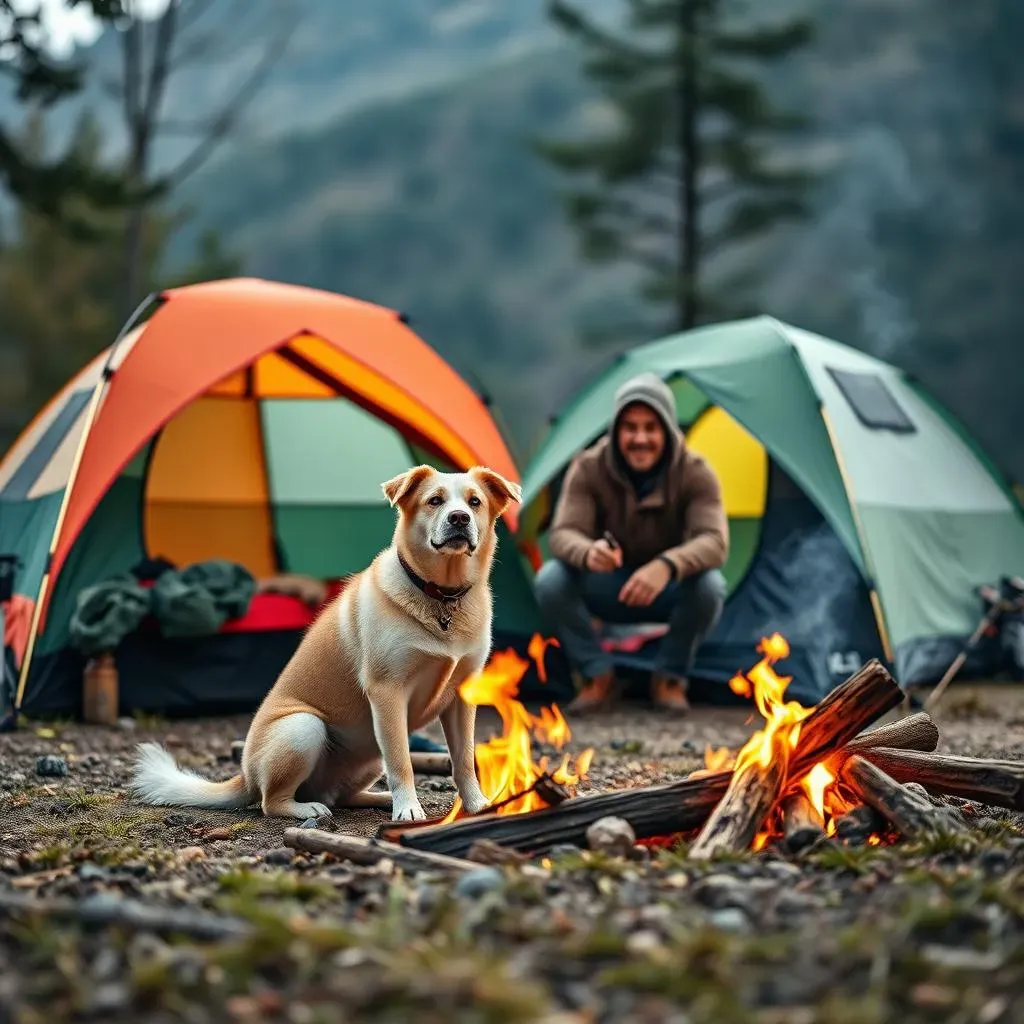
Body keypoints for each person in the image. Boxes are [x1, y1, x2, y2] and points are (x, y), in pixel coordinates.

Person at [534, 371, 729, 715]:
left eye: (650, 428)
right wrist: (589, 552)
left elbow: (715, 541)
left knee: (710, 586)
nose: (640, 439)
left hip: (666, 590)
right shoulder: (589, 467)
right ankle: (597, 675)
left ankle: (669, 679)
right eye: (630, 428)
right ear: (616, 431)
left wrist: (667, 566)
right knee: (551, 579)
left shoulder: (696, 471)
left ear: (667, 431)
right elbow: (563, 534)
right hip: (607, 585)